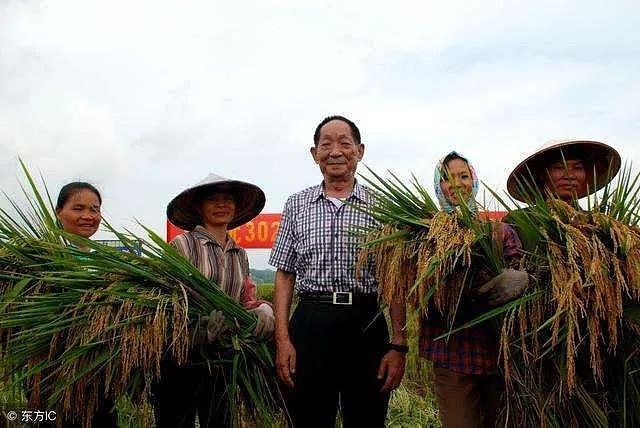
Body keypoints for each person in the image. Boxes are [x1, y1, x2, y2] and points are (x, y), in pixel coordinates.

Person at [269, 115, 407, 428]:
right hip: (310, 324)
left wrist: (398, 344)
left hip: (366, 326)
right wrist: (283, 340)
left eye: (344, 143)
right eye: (326, 144)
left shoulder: (383, 206)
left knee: (367, 418)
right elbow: (285, 275)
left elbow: (395, 279)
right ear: (314, 153)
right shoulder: (296, 205)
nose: (335, 151)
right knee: (309, 417)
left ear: (359, 150)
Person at [156, 173, 275, 428]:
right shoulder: (182, 245)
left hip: (224, 355)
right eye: (213, 199)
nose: (222, 204)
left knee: (219, 419)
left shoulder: (238, 253)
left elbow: (246, 299)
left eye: (227, 199)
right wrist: (195, 328)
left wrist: (264, 309)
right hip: (182, 356)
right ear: (200, 206)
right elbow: (165, 298)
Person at [420, 152, 527, 428]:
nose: (456, 184)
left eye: (463, 176)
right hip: (452, 353)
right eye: (447, 178)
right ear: (438, 185)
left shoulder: (499, 231)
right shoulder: (423, 233)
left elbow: (522, 273)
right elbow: (414, 290)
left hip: (499, 354)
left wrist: (520, 277)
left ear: (474, 181)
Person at [50, 181, 117, 427]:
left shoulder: (109, 262)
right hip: (53, 373)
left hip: (100, 373)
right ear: (59, 212)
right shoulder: (44, 256)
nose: (88, 216)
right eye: (78, 209)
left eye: (94, 209)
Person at [505, 139, 621, 250]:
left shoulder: (598, 223)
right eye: (559, 167)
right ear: (542, 175)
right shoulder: (518, 220)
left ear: (587, 176)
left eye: (577, 168)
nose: (569, 176)